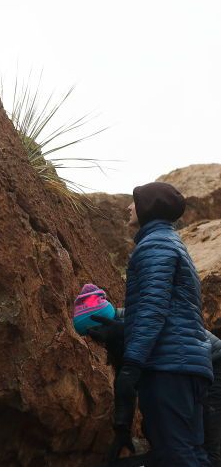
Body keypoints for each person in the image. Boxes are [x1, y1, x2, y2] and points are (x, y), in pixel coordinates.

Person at [90, 182, 213, 466]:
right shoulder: (172, 245)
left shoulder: (154, 246)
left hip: (168, 366)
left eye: (134, 201)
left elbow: (152, 309)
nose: (128, 207)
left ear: (148, 207)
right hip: (188, 366)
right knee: (191, 453)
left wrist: (132, 365)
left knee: (177, 456)